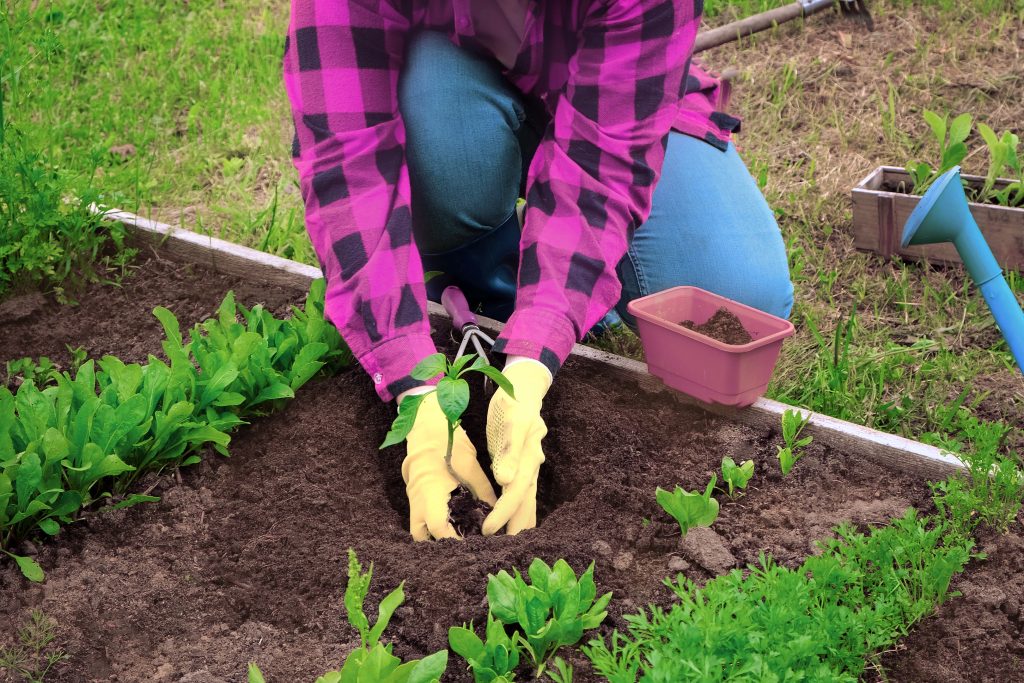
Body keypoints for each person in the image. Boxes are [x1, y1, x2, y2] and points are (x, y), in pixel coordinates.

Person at [282, 0, 793, 541]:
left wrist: (533, 358)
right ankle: (488, 286)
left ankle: (553, 304)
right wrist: (413, 383)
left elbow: (605, 164)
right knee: (445, 141)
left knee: (735, 295)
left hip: (609, 84)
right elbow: (346, 163)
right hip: (454, 76)